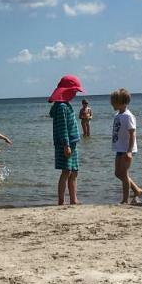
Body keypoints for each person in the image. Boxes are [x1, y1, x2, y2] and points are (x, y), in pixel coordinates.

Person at [48, 75, 83, 206]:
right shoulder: (61, 106)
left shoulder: (65, 105)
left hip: (72, 143)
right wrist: (66, 145)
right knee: (66, 171)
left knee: (74, 171)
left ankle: (74, 199)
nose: (75, 94)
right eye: (74, 91)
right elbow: (62, 128)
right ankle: (61, 201)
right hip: (65, 144)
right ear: (66, 91)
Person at [111, 89, 142, 205]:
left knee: (124, 173)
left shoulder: (128, 116)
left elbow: (132, 133)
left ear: (122, 102)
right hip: (119, 148)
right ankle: (137, 190)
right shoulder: (118, 115)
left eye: (114, 102)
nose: (112, 104)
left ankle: (125, 199)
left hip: (126, 149)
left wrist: (129, 151)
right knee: (118, 173)